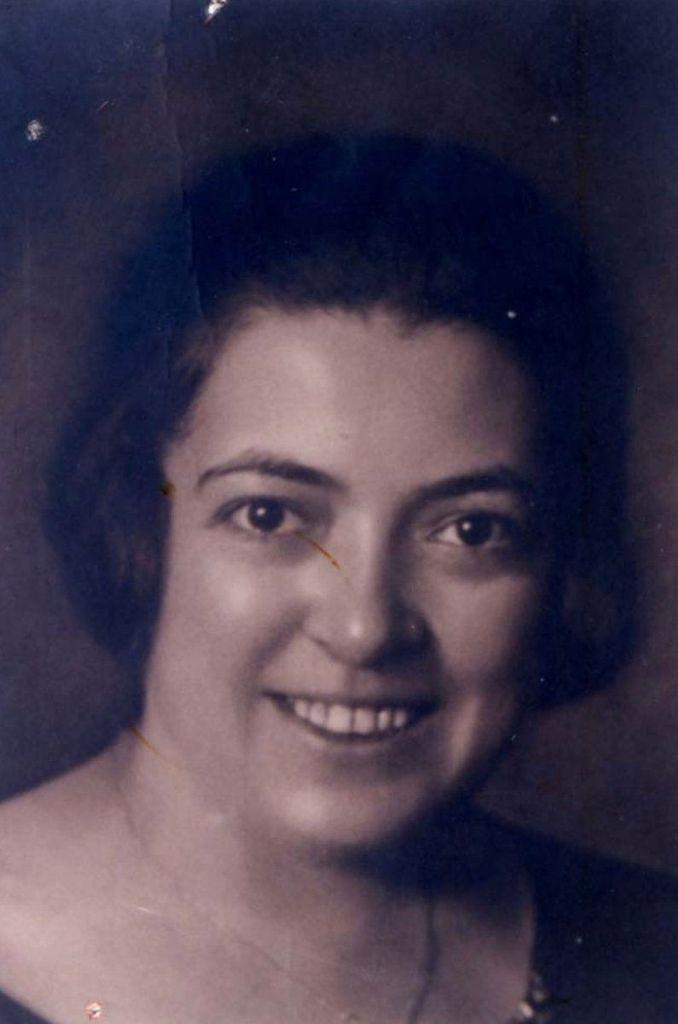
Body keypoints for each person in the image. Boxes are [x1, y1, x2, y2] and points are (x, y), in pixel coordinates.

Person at [0, 135, 675, 1024]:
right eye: (271, 516)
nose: (365, 627)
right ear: (140, 524)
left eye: (472, 530)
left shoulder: (652, 947)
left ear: (559, 569)